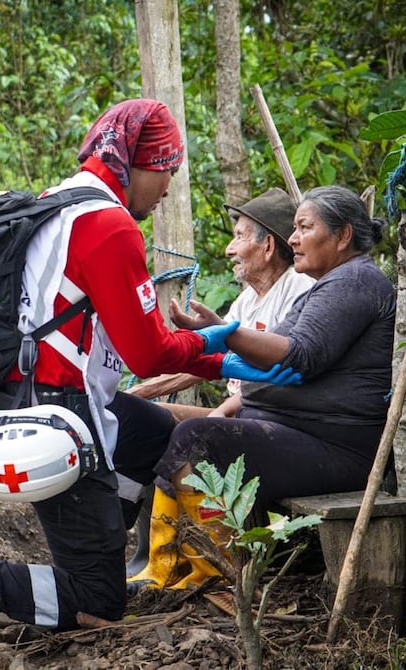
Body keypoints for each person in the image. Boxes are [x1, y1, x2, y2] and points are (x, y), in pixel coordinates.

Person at [0, 99, 300, 670]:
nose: (168, 186)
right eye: (166, 168)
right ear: (137, 165)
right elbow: (147, 352)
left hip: (22, 394)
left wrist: (216, 351)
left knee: (154, 432)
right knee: (100, 600)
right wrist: (229, 350)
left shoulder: (58, 203)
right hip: (54, 414)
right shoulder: (108, 225)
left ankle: (96, 544)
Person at [153, 184, 395, 590]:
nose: (294, 239)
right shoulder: (327, 285)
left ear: (343, 235)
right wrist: (220, 333)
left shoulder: (355, 281)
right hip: (294, 431)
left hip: (338, 448)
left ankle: (218, 573)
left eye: (304, 227)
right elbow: (262, 359)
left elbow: (299, 356)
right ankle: (164, 563)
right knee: (159, 426)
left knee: (198, 437)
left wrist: (226, 334)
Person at [125, 187, 314, 590]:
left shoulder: (297, 293)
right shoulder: (249, 299)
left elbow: (282, 375)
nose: (230, 249)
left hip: (271, 419)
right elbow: (212, 363)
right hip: (245, 412)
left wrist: (224, 410)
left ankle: (209, 565)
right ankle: (157, 557)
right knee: (146, 423)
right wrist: (142, 393)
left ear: (267, 247)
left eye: (240, 237)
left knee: (183, 433)